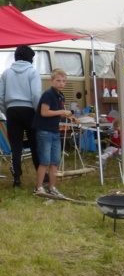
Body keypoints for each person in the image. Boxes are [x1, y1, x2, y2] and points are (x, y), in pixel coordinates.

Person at [0, 44, 43, 188]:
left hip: (12, 110)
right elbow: (36, 94)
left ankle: (16, 179)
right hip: (29, 109)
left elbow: (0, 96)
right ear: (30, 58)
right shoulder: (32, 72)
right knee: (35, 144)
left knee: (16, 146)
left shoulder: (6, 73)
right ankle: (41, 175)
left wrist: (6, 110)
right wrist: (38, 112)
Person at [34, 68, 76, 198]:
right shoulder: (48, 94)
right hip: (44, 131)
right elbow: (44, 112)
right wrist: (62, 112)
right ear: (51, 81)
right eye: (58, 81)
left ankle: (52, 188)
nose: (61, 83)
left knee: (54, 161)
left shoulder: (60, 95)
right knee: (44, 161)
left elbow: (57, 114)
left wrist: (68, 116)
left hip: (54, 131)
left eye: (64, 81)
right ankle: (39, 188)